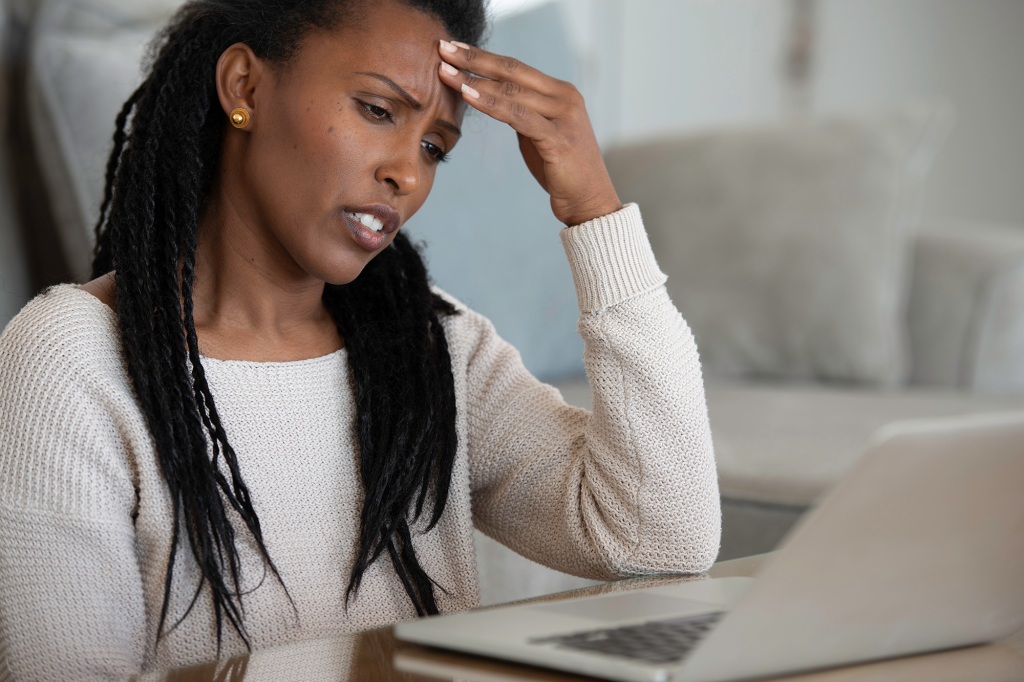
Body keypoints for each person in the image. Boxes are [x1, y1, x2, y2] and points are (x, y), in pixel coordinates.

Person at [0, 0, 721, 678]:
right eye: (378, 110)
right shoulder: (71, 359)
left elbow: (657, 538)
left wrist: (593, 209)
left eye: (436, 147)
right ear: (243, 83)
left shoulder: (430, 345)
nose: (406, 173)